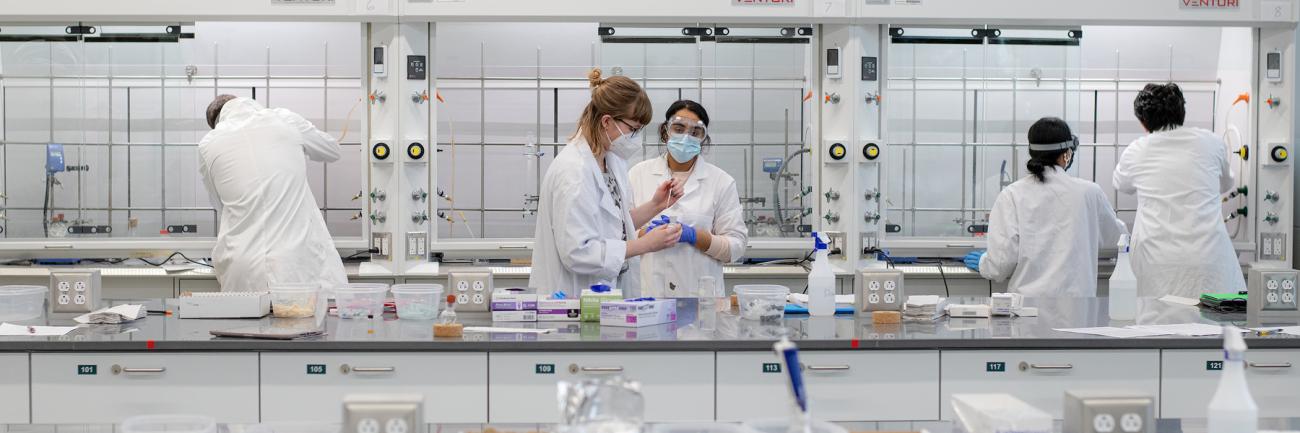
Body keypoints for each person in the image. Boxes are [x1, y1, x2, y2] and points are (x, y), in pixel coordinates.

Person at [530, 69, 684, 297]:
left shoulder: (610, 160)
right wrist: (645, 244)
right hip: (574, 299)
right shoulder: (574, 171)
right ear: (606, 122)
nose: (636, 137)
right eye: (633, 129)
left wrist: (656, 205)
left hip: (607, 295)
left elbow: (611, 226)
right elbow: (577, 252)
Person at [964, 117, 1127, 297]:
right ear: (1067, 154)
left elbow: (1000, 266)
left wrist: (984, 263)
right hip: (1077, 307)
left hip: (1026, 308)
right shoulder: (1089, 193)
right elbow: (1118, 238)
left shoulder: (1012, 195)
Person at [199, 95, 347, 292]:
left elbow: (220, 205)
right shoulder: (284, 119)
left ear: (217, 122)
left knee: (244, 324)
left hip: (241, 265)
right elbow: (332, 151)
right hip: (295, 264)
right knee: (303, 321)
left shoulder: (208, 144)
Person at [1112, 83, 1245, 298]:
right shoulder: (1211, 142)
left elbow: (1121, 184)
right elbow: (1226, 184)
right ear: (1182, 112)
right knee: (1213, 326)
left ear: (1143, 121)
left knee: (1156, 326)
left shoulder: (1137, 150)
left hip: (1156, 260)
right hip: (1209, 258)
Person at [629, 100, 749, 297]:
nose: (686, 137)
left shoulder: (721, 182)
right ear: (664, 131)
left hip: (699, 302)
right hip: (647, 297)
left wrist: (695, 236)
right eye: (679, 128)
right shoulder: (638, 175)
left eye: (695, 132)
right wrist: (646, 235)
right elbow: (618, 234)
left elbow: (736, 247)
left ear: (703, 138)